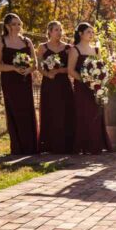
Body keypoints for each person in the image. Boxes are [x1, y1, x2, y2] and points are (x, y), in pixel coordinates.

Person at [0, 13, 38, 155]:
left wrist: (28, 70)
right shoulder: (2, 41)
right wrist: (13, 68)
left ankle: (31, 146)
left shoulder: (27, 41)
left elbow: (35, 64)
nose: (17, 27)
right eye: (14, 24)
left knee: (27, 110)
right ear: (7, 26)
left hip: (25, 80)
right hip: (10, 81)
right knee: (14, 111)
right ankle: (18, 147)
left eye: (19, 24)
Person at [69, 22, 113, 154]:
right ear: (80, 34)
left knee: (96, 113)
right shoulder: (74, 49)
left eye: (92, 32)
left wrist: (98, 83)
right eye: (88, 32)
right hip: (82, 87)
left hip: (96, 88)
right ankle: (85, 146)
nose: (91, 34)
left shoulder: (96, 50)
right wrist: (86, 80)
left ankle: (97, 145)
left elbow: (101, 68)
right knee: (84, 114)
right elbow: (71, 70)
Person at [37, 21, 75, 154]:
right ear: (49, 32)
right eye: (56, 30)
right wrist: (47, 73)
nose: (59, 33)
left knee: (65, 111)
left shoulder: (68, 48)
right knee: (50, 111)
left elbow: (71, 68)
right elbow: (39, 66)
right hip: (49, 84)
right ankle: (49, 145)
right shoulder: (42, 47)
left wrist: (59, 71)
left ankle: (66, 145)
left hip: (63, 84)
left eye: (60, 30)